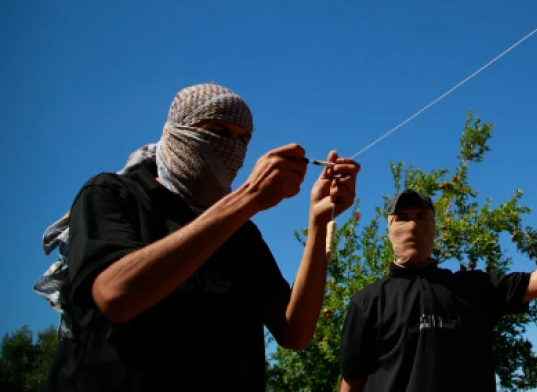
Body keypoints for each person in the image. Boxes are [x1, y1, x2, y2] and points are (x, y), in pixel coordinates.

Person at [44, 83, 360, 391]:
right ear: (179, 130)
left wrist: (319, 221)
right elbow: (116, 296)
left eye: (242, 139)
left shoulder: (241, 233)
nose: (231, 147)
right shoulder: (115, 194)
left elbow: (295, 333)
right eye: (218, 132)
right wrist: (248, 197)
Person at [338, 164, 537, 392]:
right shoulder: (367, 301)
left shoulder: (473, 287)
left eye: (421, 217)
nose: (412, 225)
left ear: (434, 228)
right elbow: (352, 381)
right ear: (389, 230)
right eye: (402, 218)